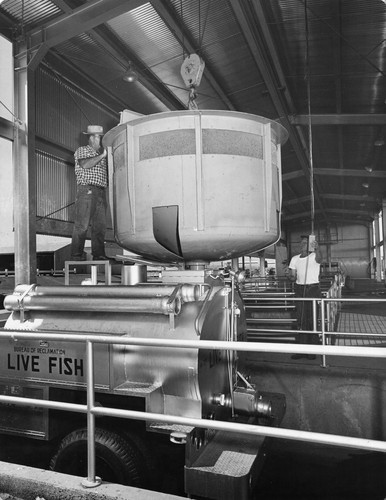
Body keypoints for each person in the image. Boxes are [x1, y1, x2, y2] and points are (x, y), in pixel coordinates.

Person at [70, 125, 109, 261]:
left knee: (100, 227)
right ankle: (76, 255)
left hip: (101, 192)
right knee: (82, 225)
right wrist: (103, 155)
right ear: (91, 138)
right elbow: (85, 165)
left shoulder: (102, 157)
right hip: (87, 191)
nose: (101, 140)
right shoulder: (82, 150)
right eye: (99, 137)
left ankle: (99, 254)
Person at [288, 235, 323, 359]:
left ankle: (311, 351)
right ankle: (301, 349)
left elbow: (320, 259)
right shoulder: (294, 259)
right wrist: (291, 277)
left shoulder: (314, 256)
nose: (303, 245)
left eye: (305, 243)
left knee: (312, 319)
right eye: (301, 243)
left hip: (313, 289)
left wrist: (317, 248)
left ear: (310, 245)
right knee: (301, 320)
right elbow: (293, 276)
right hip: (299, 289)